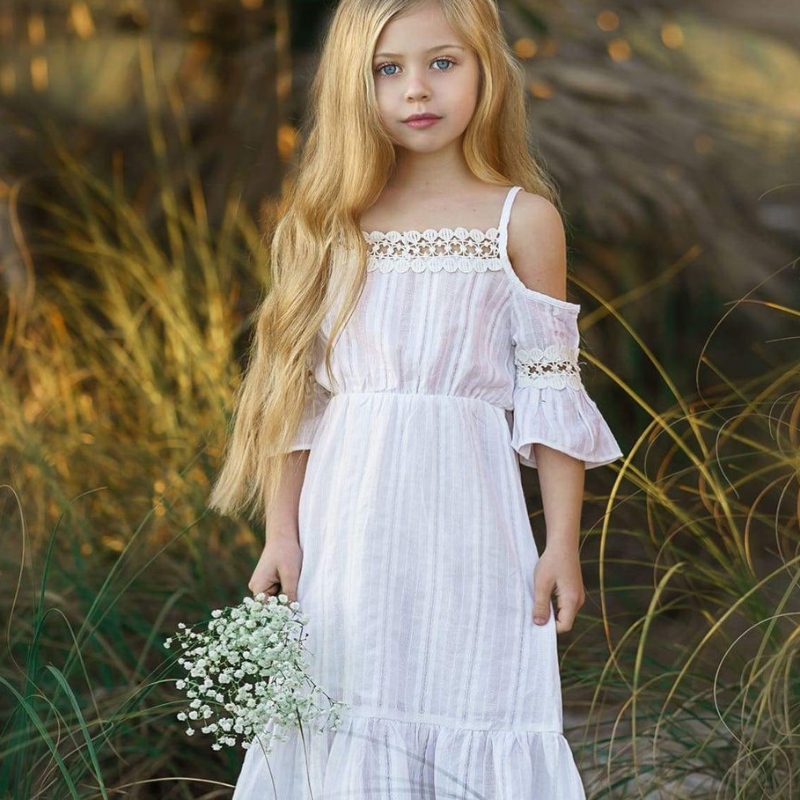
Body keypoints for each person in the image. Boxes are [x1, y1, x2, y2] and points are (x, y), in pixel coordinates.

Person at [209, 0, 624, 796]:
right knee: (344, 707)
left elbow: (551, 392)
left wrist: (560, 544)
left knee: (475, 693)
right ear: (351, 85)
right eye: (386, 70)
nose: (415, 90)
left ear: (485, 71)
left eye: (442, 63)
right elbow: (294, 398)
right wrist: (281, 534)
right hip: (348, 522)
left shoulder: (523, 221)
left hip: (471, 519)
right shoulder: (326, 222)